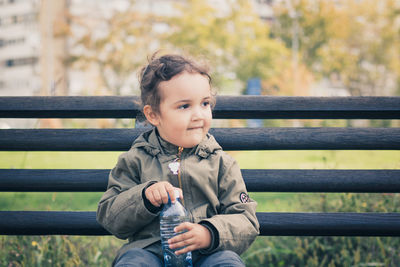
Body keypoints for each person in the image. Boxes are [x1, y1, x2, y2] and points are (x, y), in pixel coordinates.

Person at [96, 53, 260, 267]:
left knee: (227, 263)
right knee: (133, 262)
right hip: (149, 252)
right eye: (184, 106)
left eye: (205, 103)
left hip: (208, 254)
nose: (199, 115)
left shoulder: (222, 164)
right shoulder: (135, 160)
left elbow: (246, 220)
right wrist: (144, 197)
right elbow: (110, 216)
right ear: (153, 115)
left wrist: (210, 233)